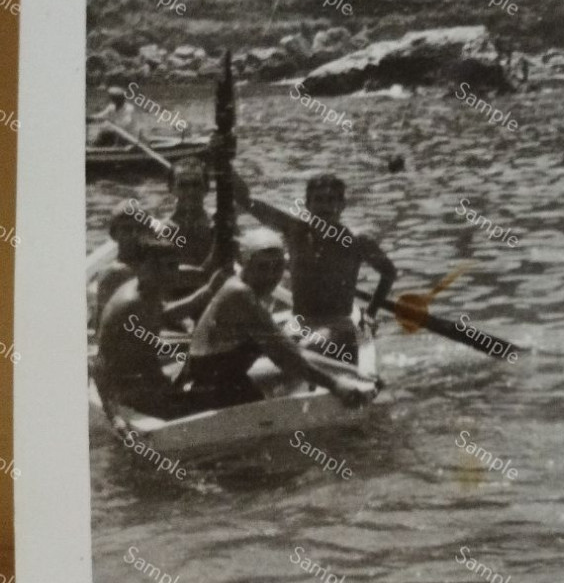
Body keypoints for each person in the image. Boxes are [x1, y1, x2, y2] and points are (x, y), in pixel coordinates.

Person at [180, 228, 376, 410]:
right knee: (310, 360)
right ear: (245, 264)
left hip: (226, 381)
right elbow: (286, 359)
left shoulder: (245, 290)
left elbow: (292, 351)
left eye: (277, 267)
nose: (271, 275)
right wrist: (337, 385)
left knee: (323, 343)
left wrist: (352, 371)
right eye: (262, 267)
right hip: (215, 394)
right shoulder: (239, 294)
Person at [237, 172, 397, 363]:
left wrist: (370, 315)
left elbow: (389, 272)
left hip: (337, 325)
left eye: (331, 200)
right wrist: (221, 160)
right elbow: (246, 201)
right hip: (298, 323)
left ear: (342, 205)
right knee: (247, 348)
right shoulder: (294, 231)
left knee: (302, 349)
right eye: (319, 200)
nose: (325, 207)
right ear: (308, 206)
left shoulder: (357, 241)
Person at [95, 237, 225, 418]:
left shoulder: (143, 287)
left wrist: (208, 290)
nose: (171, 274)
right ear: (142, 268)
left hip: (140, 382)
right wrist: (114, 415)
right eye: (161, 267)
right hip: (131, 394)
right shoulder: (135, 303)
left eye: (173, 266)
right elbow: (101, 364)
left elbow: (165, 314)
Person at [94, 200, 155, 325]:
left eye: (140, 229)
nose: (134, 235)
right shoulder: (113, 273)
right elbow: (103, 323)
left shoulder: (153, 265)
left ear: (149, 232)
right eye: (127, 229)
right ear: (114, 234)